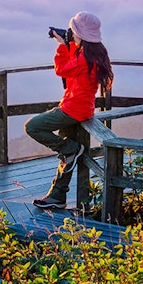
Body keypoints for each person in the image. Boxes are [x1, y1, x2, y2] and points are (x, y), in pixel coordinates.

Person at [27, 11, 114, 209]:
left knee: (33, 127)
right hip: (78, 107)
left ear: (81, 35)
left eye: (74, 32)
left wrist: (61, 46)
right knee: (66, 157)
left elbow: (62, 69)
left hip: (73, 109)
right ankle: (57, 196)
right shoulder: (91, 53)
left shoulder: (84, 59)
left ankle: (70, 150)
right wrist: (70, 43)